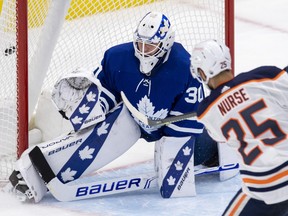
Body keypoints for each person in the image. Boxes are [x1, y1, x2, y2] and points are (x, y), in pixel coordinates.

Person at [8, 12, 218, 202]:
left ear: (166, 43)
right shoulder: (117, 58)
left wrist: (172, 153)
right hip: (135, 119)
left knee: (186, 166)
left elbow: (187, 120)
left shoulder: (185, 67)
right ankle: (35, 169)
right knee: (97, 136)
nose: (143, 51)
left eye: (151, 46)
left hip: (177, 128)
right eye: (140, 44)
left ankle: (217, 149)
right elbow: (104, 94)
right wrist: (88, 107)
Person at [190, 39, 288, 216]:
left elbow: (221, 136)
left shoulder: (206, 112)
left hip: (263, 184)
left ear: (204, 72)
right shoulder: (266, 75)